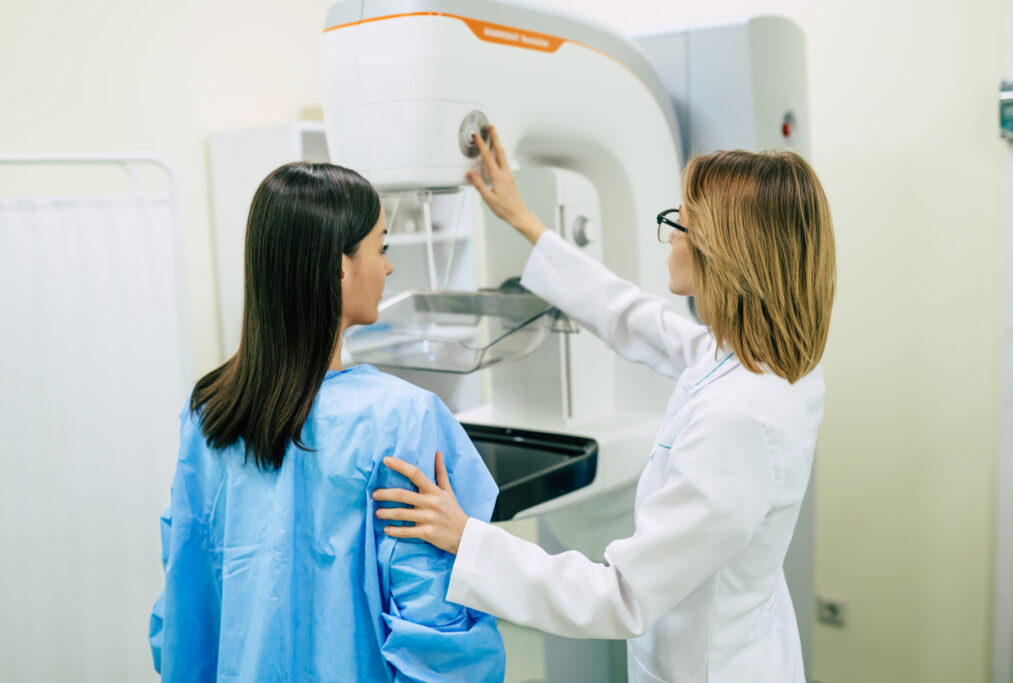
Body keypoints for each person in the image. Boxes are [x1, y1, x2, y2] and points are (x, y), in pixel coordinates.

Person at [373, 128, 836, 682]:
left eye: (680, 222)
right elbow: (638, 319)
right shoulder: (776, 362)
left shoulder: (737, 416)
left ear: (725, 253)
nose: (670, 236)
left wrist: (467, 538)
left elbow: (620, 594)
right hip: (740, 637)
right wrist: (525, 221)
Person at [149, 162, 505, 682]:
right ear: (340, 266)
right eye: (381, 248)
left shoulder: (209, 412)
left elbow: (184, 610)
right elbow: (434, 624)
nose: (387, 269)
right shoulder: (402, 418)